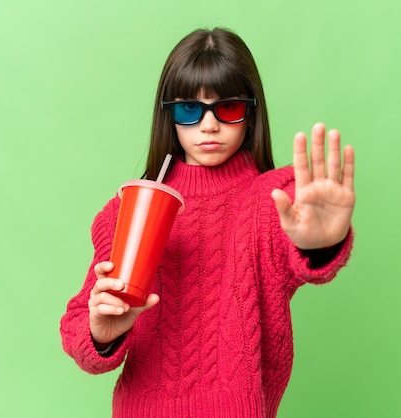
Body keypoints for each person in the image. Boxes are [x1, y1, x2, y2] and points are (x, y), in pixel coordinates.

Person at [60, 27, 355, 418]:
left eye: (228, 108)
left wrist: (319, 244)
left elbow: (302, 252)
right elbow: (81, 335)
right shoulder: (127, 211)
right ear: (170, 116)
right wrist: (101, 331)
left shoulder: (274, 199)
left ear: (251, 114)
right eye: (189, 109)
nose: (209, 125)